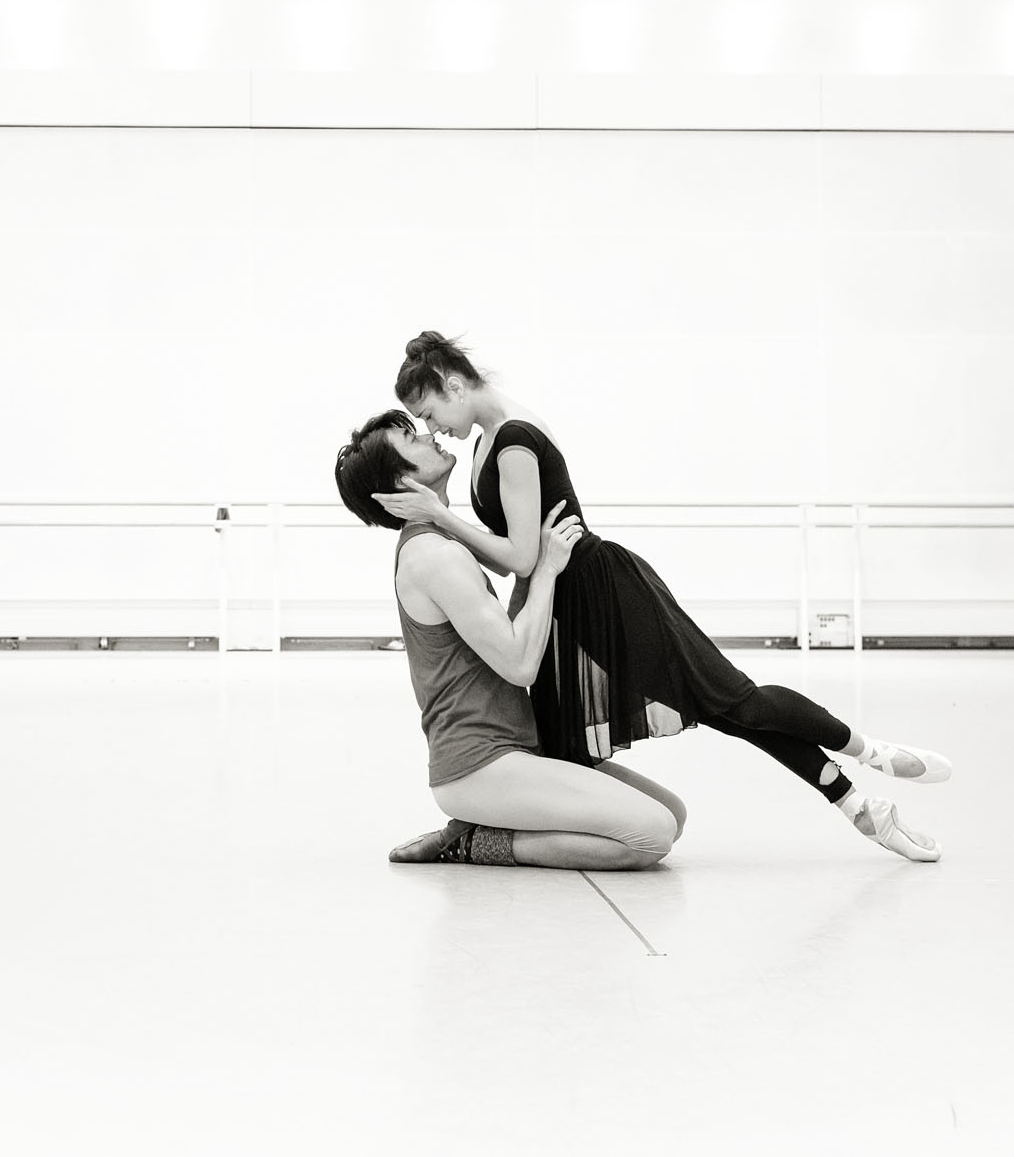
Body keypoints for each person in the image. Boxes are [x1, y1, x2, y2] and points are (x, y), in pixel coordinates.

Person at [374, 333, 949, 863]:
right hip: (556, 608)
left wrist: (441, 515)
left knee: (731, 702)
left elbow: (524, 557)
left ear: (453, 386)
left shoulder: (514, 442)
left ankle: (866, 756)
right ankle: (862, 810)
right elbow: (521, 556)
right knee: (555, 743)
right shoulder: (487, 440)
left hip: (598, 597)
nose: (434, 429)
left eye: (429, 414)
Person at [336, 413, 687, 870]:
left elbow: (509, 627)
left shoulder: (444, 539)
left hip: (516, 749)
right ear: (402, 480)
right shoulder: (433, 556)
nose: (428, 434)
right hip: (479, 766)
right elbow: (520, 664)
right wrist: (545, 572)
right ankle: (470, 843)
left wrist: (530, 554)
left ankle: (479, 826)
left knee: (673, 816)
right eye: (410, 437)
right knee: (650, 837)